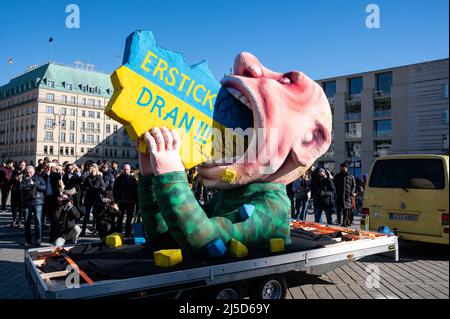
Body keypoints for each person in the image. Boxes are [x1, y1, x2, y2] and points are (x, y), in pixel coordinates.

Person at [18, 166, 46, 246]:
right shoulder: (24, 178)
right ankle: (28, 240)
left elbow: (44, 188)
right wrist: (20, 182)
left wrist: (35, 184)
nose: (29, 174)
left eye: (30, 172)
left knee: (38, 221)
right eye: (27, 172)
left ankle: (38, 240)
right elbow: (20, 189)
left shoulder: (39, 178)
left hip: (38, 201)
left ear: (34, 171)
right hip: (27, 202)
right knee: (26, 221)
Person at [113, 163, 138, 237]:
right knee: (120, 219)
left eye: (127, 169)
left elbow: (136, 190)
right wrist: (116, 200)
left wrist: (136, 200)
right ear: (122, 170)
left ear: (130, 170)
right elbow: (115, 190)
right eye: (124, 169)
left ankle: (128, 234)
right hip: (121, 202)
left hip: (131, 202)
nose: (126, 170)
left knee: (129, 219)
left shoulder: (133, 179)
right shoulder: (119, 179)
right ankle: (119, 234)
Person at [81, 164, 106, 236]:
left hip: (96, 198)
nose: (93, 171)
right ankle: (83, 231)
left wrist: (97, 189)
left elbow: (103, 187)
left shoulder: (99, 178)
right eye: (91, 170)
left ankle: (95, 229)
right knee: (86, 215)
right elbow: (83, 186)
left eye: (94, 170)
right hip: (88, 198)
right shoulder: (87, 177)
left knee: (96, 215)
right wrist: (87, 188)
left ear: (97, 170)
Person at [41, 163, 64, 242]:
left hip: (55, 198)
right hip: (45, 198)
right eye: (46, 167)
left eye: (50, 167)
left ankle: (53, 237)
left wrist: (54, 170)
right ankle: (40, 236)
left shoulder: (55, 175)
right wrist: (46, 173)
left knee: (54, 218)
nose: (48, 168)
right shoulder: (43, 175)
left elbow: (59, 178)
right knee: (43, 217)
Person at [333, 162, 356, 227]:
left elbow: (354, 185)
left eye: (342, 167)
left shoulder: (351, 176)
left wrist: (352, 192)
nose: (341, 168)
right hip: (339, 195)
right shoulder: (337, 176)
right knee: (338, 210)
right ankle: (339, 221)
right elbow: (334, 184)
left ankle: (344, 223)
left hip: (347, 196)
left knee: (346, 210)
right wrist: (335, 191)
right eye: (340, 167)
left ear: (346, 168)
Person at [10, 160, 27, 227]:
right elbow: (10, 180)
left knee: (21, 207)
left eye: (23, 165)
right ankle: (14, 219)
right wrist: (15, 178)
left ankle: (20, 221)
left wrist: (22, 180)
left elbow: (28, 181)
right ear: (19, 165)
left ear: (25, 166)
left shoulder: (26, 172)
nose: (22, 166)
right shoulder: (15, 171)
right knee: (14, 207)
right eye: (21, 165)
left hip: (22, 192)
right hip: (14, 191)